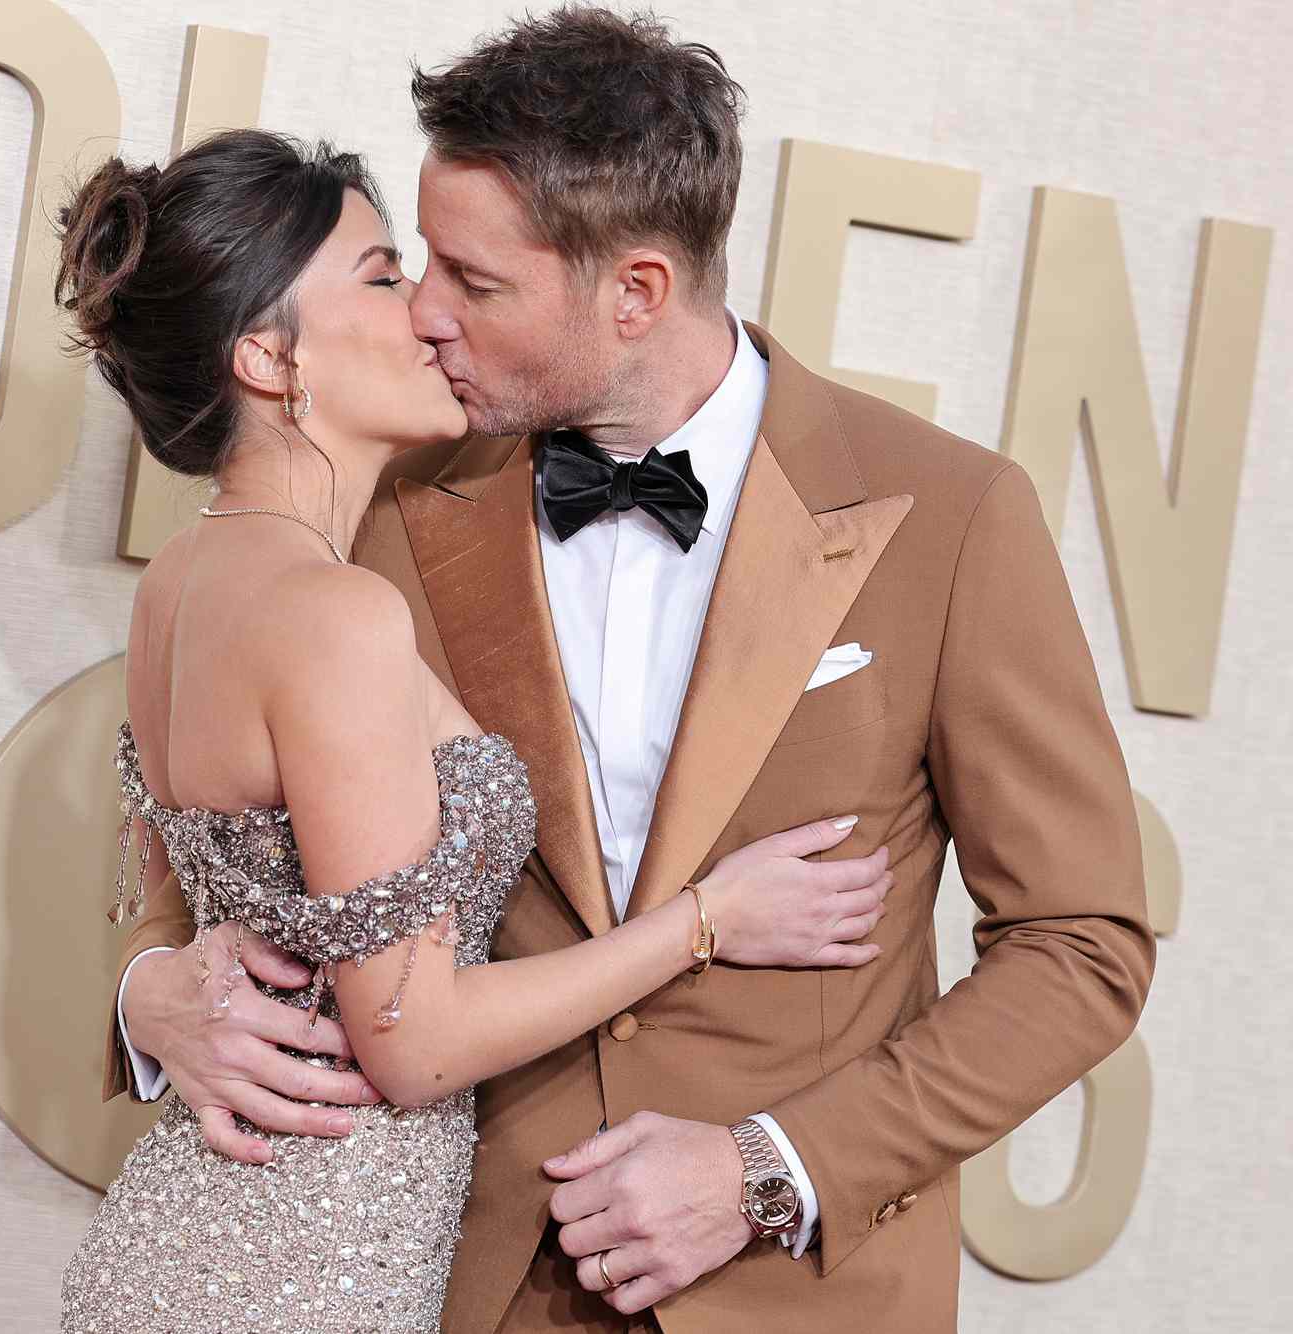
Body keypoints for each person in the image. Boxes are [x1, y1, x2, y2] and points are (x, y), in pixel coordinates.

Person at [102, 8, 1156, 1333]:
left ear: (636, 291)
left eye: (473, 283)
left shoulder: (948, 516)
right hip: (456, 1287)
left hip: (798, 1298)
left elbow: (1083, 943)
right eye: (415, 263)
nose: (428, 312)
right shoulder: (372, 503)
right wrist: (152, 990)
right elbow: (205, 801)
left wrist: (773, 1165)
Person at [54, 128, 894, 1334]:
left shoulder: (180, 579)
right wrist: (707, 920)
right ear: (268, 357)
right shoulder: (331, 612)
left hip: (206, 1229)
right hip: (304, 1266)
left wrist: (150, 982)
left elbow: (186, 895)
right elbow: (415, 1042)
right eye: (387, 276)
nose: (429, 312)